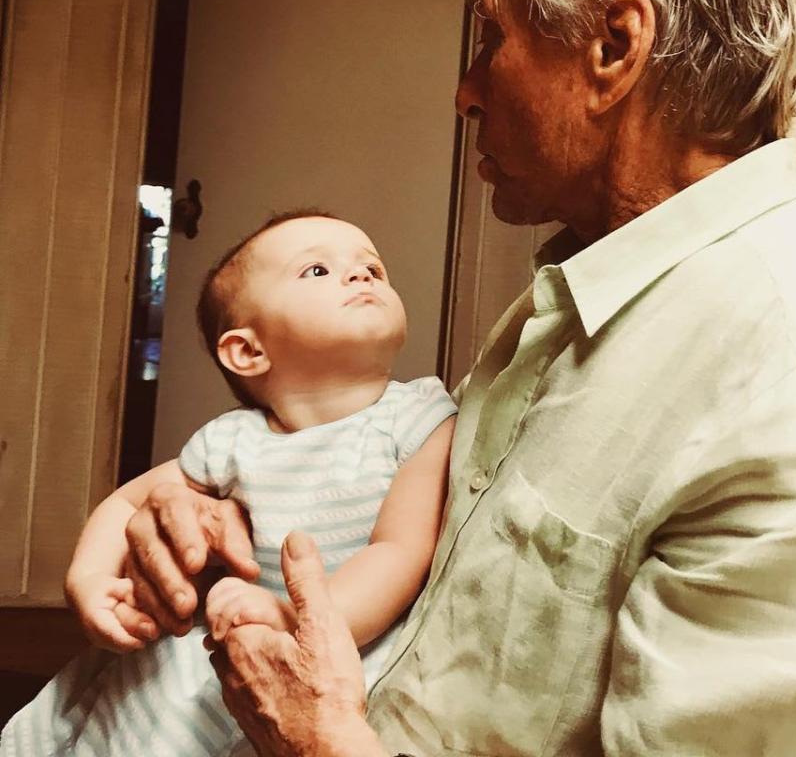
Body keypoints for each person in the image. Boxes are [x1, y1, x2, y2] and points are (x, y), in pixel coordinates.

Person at [123, 0, 796, 757]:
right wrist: (203, 511)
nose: (466, 89)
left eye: (492, 37)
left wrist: (314, 738)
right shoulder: (580, 299)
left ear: (613, 46)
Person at [0, 211, 457, 756]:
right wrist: (91, 579)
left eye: (373, 268)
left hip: (339, 655)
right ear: (248, 351)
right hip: (220, 645)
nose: (361, 276)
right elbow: (127, 502)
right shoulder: (232, 441)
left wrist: (293, 618)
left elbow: (399, 550)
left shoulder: (420, 417)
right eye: (317, 270)